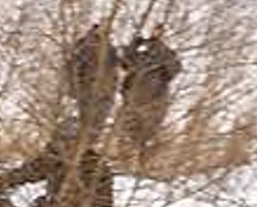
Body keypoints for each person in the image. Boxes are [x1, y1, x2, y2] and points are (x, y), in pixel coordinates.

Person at [116, 28, 181, 161]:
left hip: (153, 100)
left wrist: (164, 55)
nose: (155, 33)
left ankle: (143, 164)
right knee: (126, 130)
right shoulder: (139, 50)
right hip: (132, 97)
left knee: (147, 134)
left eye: (159, 31)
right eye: (154, 30)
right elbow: (124, 63)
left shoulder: (167, 53)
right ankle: (124, 159)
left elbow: (174, 71)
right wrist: (134, 45)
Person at [66, 22, 122, 146]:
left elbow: (115, 71)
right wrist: (74, 88)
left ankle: (88, 149)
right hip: (86, 89)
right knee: (80, 123)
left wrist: (112, 91)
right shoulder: (84, 44)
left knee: (96, 126)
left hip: (104, 93)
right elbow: (72, 67)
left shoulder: (110, 48)